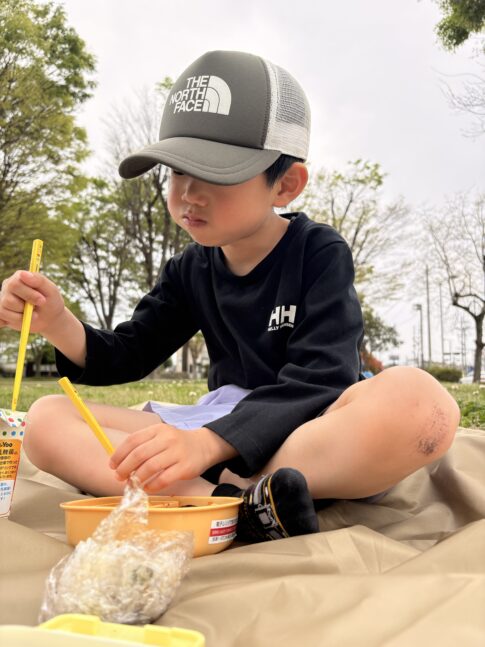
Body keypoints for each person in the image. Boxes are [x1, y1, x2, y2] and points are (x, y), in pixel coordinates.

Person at [0, 51, 460, 543]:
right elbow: (127, 354)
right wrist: (56, 322)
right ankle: (226, 505)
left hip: (311, 428)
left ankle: (245, 492)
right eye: (177, 172)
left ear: (285, 184)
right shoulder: (190, 268)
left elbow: (324, 377)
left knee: (421, 402)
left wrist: (209, 444)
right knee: (47, 419)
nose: (189, 194)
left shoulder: (318, 252)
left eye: (217, 173)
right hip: (214, 434)